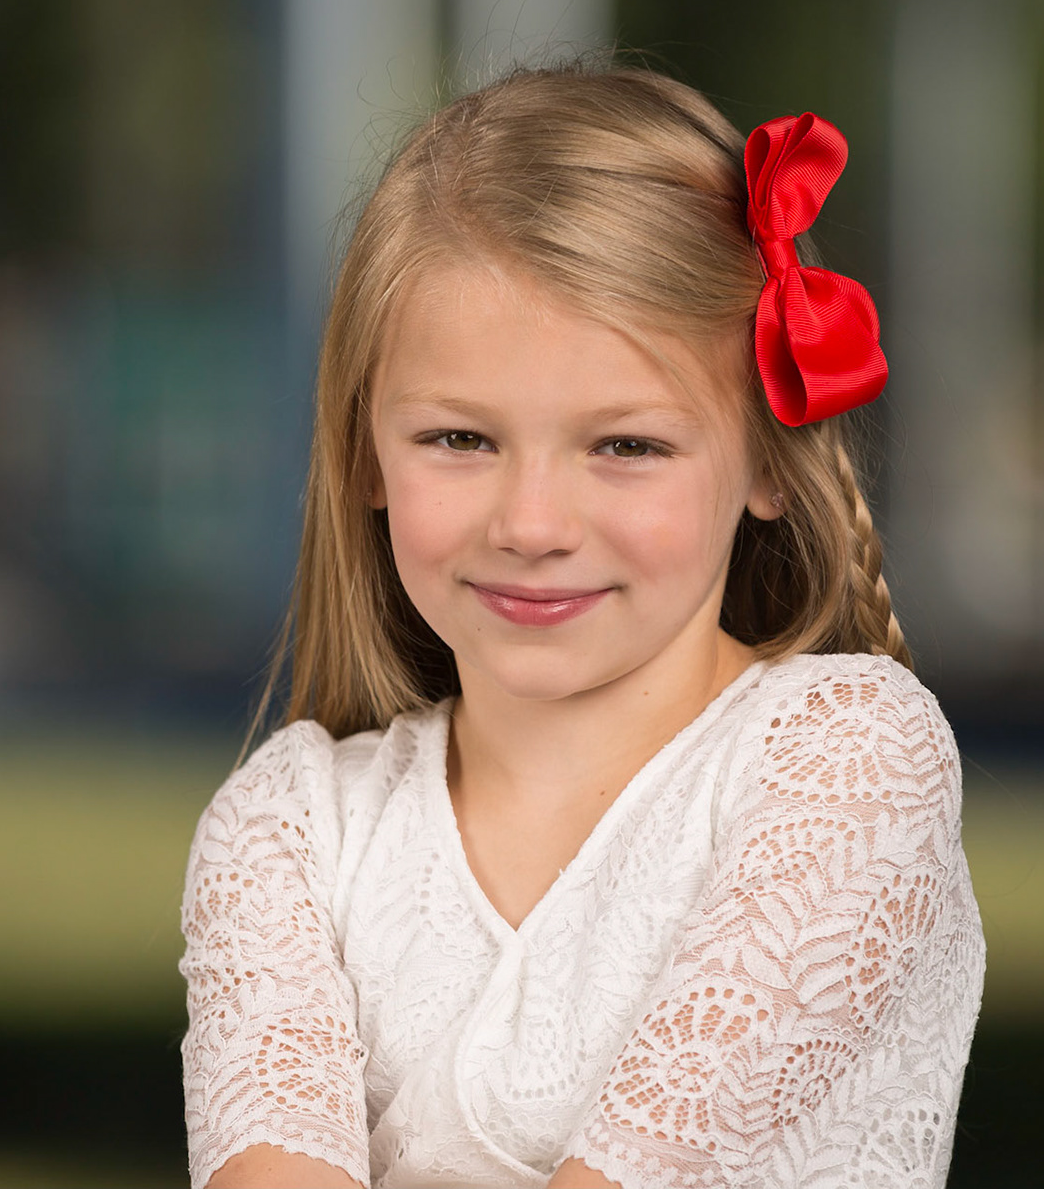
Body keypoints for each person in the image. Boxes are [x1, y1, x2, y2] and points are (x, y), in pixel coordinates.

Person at [178, 61, 985, 1189]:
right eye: (460, 439)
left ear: (767, 458)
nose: (532, 524)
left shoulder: (848, 760)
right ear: (364, 452)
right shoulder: (293, 830)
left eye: (626, 446)